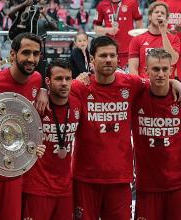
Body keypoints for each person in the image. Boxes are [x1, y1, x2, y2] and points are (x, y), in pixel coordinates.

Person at [71, 35, 147, 220]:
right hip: (85, 178)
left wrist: (174, 82)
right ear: (92, 60)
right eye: (103, 55)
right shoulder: (78, 87)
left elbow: (158, 82)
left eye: (112, 55)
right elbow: (54, 88)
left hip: (120, 178)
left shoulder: (132, 83)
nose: (108, 59)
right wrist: (41, 90)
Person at [0, 32, 46, 220]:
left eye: (36, 54)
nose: (31, 59)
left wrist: (44, 89)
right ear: (12, 55)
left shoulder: (37, 79)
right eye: (26, 53)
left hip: (14, 174)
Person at [22, 59, 80, 220]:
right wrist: (41, 90)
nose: (64, 83)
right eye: (58, 79)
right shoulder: (36, 107)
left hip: (65, 189)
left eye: (68, 79)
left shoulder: (77, 104)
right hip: (36, 188)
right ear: (47, 81)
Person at [132, 48, 181, 220]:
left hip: (177, 186)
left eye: (165, 69)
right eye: (155, 69)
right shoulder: (135, 96)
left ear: (172, 71)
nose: (160, 74)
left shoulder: (179, 97)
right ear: (146, 71)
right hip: (147, 186)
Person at [129, 1, 180, 78]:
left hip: (166, 85)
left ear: (166, 18)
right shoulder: (137, 39)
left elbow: (173, 60)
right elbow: (133, 69)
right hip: (145, 85)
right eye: (156, 12)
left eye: (162, 13)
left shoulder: (174, 38)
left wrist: (163, 33)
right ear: (149, 16)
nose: (159, 14)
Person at [93, 0, 143, 69]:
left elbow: (139, 23)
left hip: (129, 51)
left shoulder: (132, 2)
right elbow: (96, 28)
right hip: (111, 52)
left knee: (130, 77)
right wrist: (108, 30)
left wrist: (136, 43)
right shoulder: (102, 4)